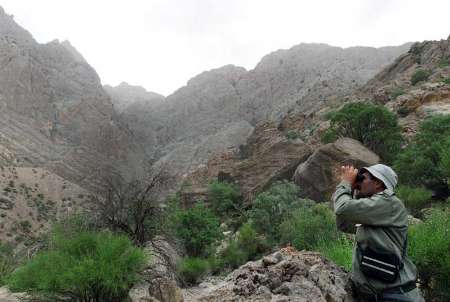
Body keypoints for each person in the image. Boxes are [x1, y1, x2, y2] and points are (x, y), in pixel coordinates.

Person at [332, 164, 424, 302]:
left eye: (362, 179)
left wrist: (345, 182)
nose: (359, 182)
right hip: (381, 296)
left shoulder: (389, 203)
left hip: (396, 296)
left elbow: (343, 209)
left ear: (377, 183)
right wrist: (352, 189)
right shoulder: (375, 209)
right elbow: (344, 224)